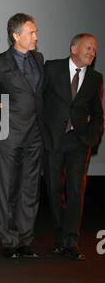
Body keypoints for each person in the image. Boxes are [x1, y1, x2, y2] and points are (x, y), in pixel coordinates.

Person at [0, 13, 44, 259]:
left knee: (30, 188)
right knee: (7, 188)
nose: (36, 36)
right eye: (31, 32)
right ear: (16, 35)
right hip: (9, 136)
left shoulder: (38, 58)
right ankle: (9, 241)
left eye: (36, 32)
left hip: (35, 135)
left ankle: (25, 239)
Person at [43, 33, 103, 260]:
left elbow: (98, 113)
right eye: (88, 48)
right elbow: (40, 100)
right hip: (53, 140)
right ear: (73, 49)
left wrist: (92, 137)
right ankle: (59, 238)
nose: (92, 53)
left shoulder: (95, 78)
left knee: (76, 190)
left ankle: (71, 240)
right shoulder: (52, 68)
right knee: (54, 189)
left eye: (95, 50)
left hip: (79, 142)